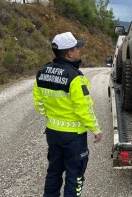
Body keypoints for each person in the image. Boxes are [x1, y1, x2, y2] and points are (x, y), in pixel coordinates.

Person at [33, 32, 103, 197]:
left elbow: (39, 102)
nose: (79, 50)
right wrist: (96, 129)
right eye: (76, 48)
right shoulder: (75, 77)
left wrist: (51, 116)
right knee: (75, 176)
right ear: (70, 53)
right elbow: (84, 108)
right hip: (73, 137)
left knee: (54, 172)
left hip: (53, 133)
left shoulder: (42, 72)